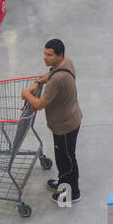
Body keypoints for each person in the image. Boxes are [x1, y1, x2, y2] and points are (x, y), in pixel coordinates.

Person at [20, 39, 82, 205]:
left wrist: (26, 94)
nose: (45, 58)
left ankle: (71, 193)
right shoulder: (66, 62)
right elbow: (52, 73)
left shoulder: (57, 81)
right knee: (64, 157)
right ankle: (63, 182)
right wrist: (38, 82)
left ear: (59, 55)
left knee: (66, 159)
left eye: (49, 55)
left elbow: (39, 104)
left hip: (64, 125)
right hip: (70, 117)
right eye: (44, 54)